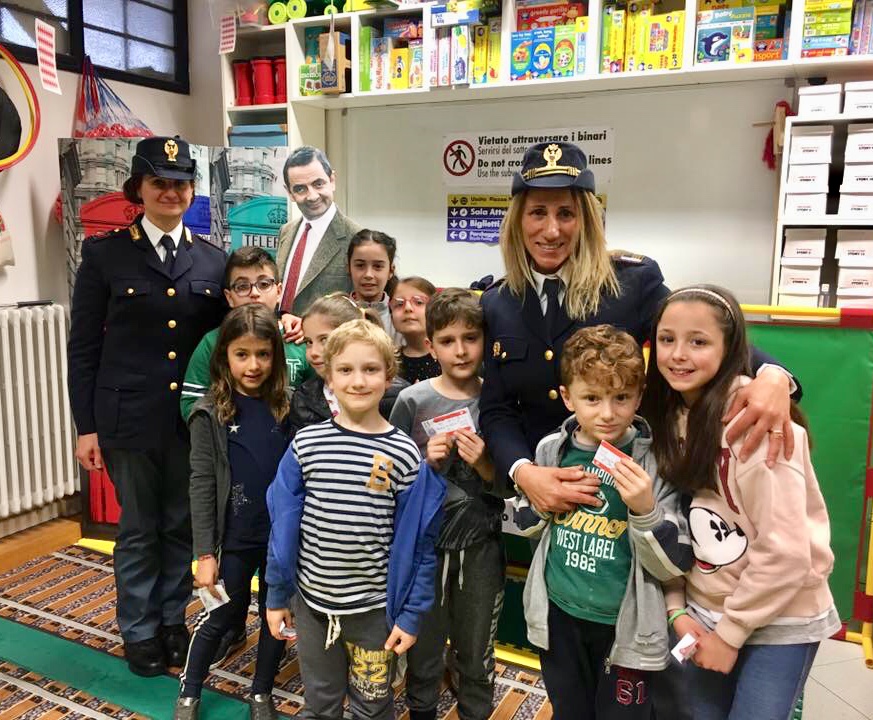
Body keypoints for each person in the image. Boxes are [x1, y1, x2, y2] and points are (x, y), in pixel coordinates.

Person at [641, 286, 840, 720]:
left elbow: (787, 553)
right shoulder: (667, 416)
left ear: (731, 349)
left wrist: (730, 635)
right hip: (703, 609)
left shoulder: (756, 427)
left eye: (698, 341)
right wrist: (678, 610)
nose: (678, 354)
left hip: (778, 619)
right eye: (666, 338)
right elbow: (676, 525)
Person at [68, 136, 226, 677]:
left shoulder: (213, 258)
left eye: (181, 183)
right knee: (137, 528)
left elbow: (227, 341)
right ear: (139, 188)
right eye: (160, 181)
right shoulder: (106, 254)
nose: (171, 192)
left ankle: (171, 622)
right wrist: (85, 426)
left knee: (182, 524)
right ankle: (138, 631)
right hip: (127, 419)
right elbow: (84, 345)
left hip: (190, 422)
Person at [263, 319, 446, 720]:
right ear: (328, 375)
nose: (358, 381)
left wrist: (412, 615)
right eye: (345, 370)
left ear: (388, 375)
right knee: (320, 703)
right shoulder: (306, 444)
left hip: (373, 611)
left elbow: (420, 545)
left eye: (370, 369)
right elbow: (281, 529)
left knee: (373, 706)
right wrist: (277, 596)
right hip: (313, 607)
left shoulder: (404, 455)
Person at [521, 325, 692, 720]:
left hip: (626, 627)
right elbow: (524, 522)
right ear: (567, 397)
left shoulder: (656, 459)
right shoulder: (552, 449)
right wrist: (545, 500)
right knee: (569, 710)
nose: (608, 413)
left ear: (640, 396)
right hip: (560, 617)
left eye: (621, 397)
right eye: (592, 398)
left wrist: (645, 510)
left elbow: (673, 565)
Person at [389, 289, 505, 720]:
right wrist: (424, 462)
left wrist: (488, 466)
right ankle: (421, 710)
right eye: (448, 340)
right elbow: (391, 478)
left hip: (481, 546)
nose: (460, 350)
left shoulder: (498, 399)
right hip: (426, 550)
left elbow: (514, 485)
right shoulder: (412, 401)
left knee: (476, 653)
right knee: (423, 650)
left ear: (485, 341)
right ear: (432, 344)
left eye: (470, 338)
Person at [174, 304, 290, 720]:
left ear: (276, 356)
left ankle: (261, 692)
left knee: (276, 619)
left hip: (280, 542)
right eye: (242, 354)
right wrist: (205, 554)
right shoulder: (209, 413)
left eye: (263, 354)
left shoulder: (288, 408)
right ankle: (189, 692)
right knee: (219, 617)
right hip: (235, 541)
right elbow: (202, 485)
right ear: (224, 356)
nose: (254, 365)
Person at [289, 293, 408, 433]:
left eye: (324, 340)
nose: (313, 352)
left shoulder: (399, 395)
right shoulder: (303, 398)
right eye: (308, 342)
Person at [275, 146, 362, 316]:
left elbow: (360, 308)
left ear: (332, 180)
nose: (312, 196)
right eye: (300, 189)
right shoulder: (286, 231)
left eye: (318, 184)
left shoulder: (357, 238)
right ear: (290, 193)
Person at [348, 228, 401, 344]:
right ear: (349, 268)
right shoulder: (334, 314)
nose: (368, 275)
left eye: (377, 266)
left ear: (391, 271)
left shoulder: (401, 318)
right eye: (360, 265)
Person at [391, 277, 441, 384]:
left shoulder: (447, 357)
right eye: (399, 304)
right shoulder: (389, 361)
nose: (408, 308)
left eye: (419, 302)